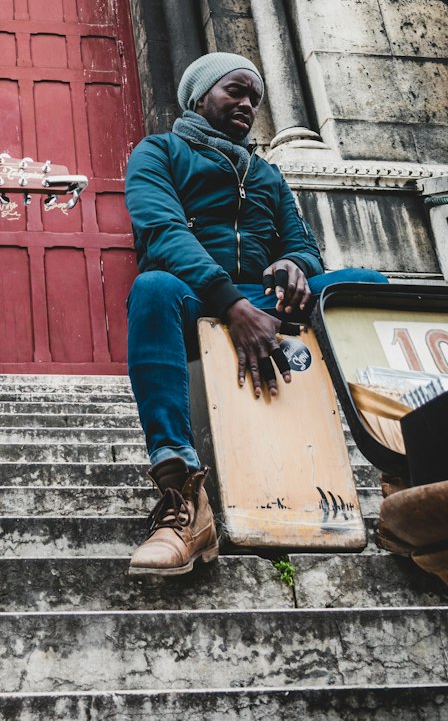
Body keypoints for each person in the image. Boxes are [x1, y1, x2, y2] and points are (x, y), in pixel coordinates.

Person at [124, 51, 385, 577]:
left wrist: (294, 265)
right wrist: (232, 304)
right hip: (195, 295)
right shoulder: (159, 152)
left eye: (255, 99)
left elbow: (305, 245)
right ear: (199, 97)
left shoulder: (266, 172)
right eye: (235, 92)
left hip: (267, 303)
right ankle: (182, 500)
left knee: (366, 288)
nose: (247, 104)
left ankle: (401, 474)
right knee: (150, 286)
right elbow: (163, 234)